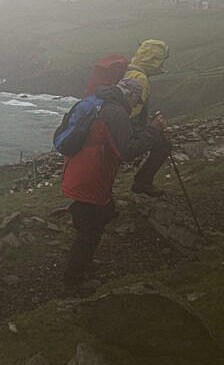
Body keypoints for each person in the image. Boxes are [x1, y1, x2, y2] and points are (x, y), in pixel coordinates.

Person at [60, 79, 165, 288]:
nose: (137, 105)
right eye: (137, 99)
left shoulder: (97, 101)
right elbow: (127, 151)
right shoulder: (117, 113)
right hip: (93, 175)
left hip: (78, 168)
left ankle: (83, 264)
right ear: (130, 94)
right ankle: (73, 282)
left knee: (104, 212)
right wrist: (153, 131)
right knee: (89, 230)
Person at [124, 39, 172, 196]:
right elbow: (131, 113)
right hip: (125, 135)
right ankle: (142, 183)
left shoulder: (128, 70)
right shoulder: (140, 78)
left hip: (113, 128)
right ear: (154, 60)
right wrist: (152, 127)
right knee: (163, 144)